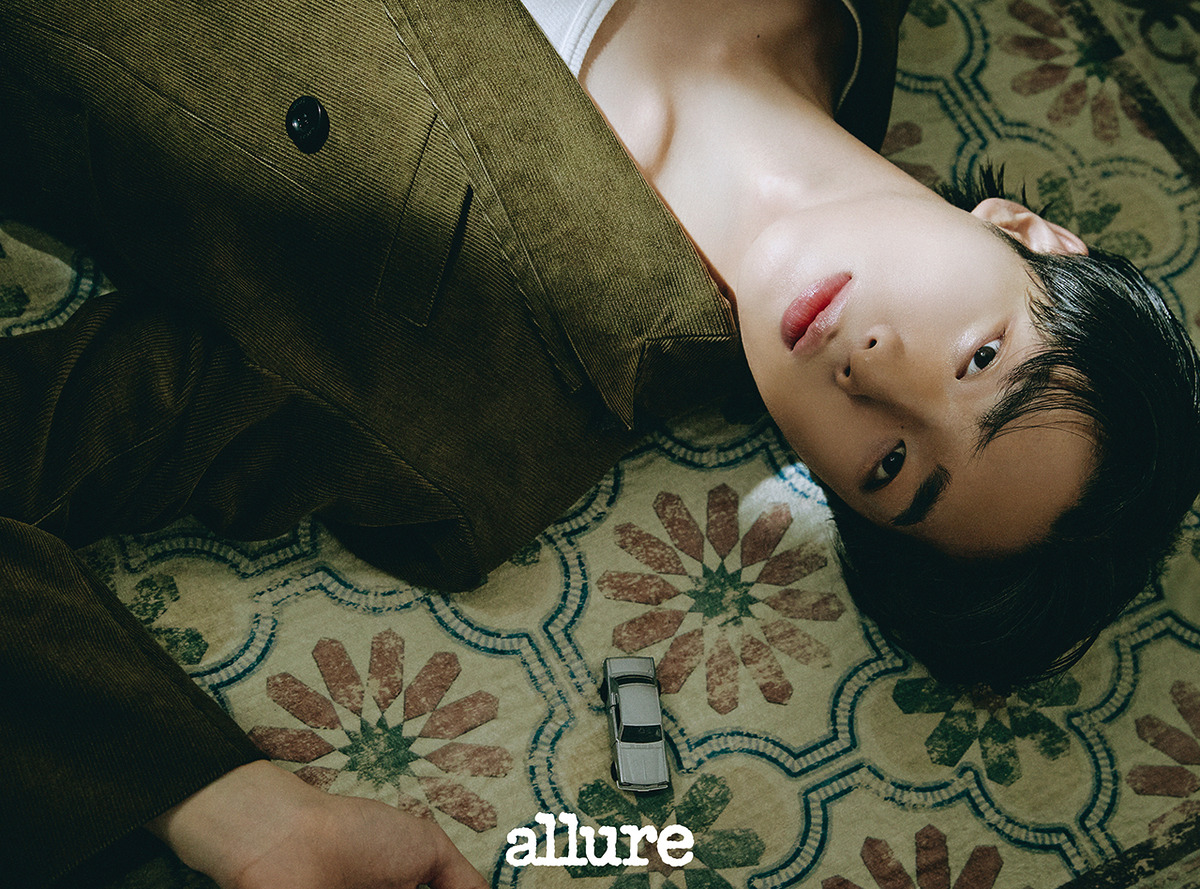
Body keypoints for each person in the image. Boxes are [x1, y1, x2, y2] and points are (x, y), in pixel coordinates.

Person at [1, 0, 1197, 887]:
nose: (875, 373)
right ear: (1032, 232)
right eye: (981, 360)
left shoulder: (466, 401)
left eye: (890, 469)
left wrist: (233, 810)